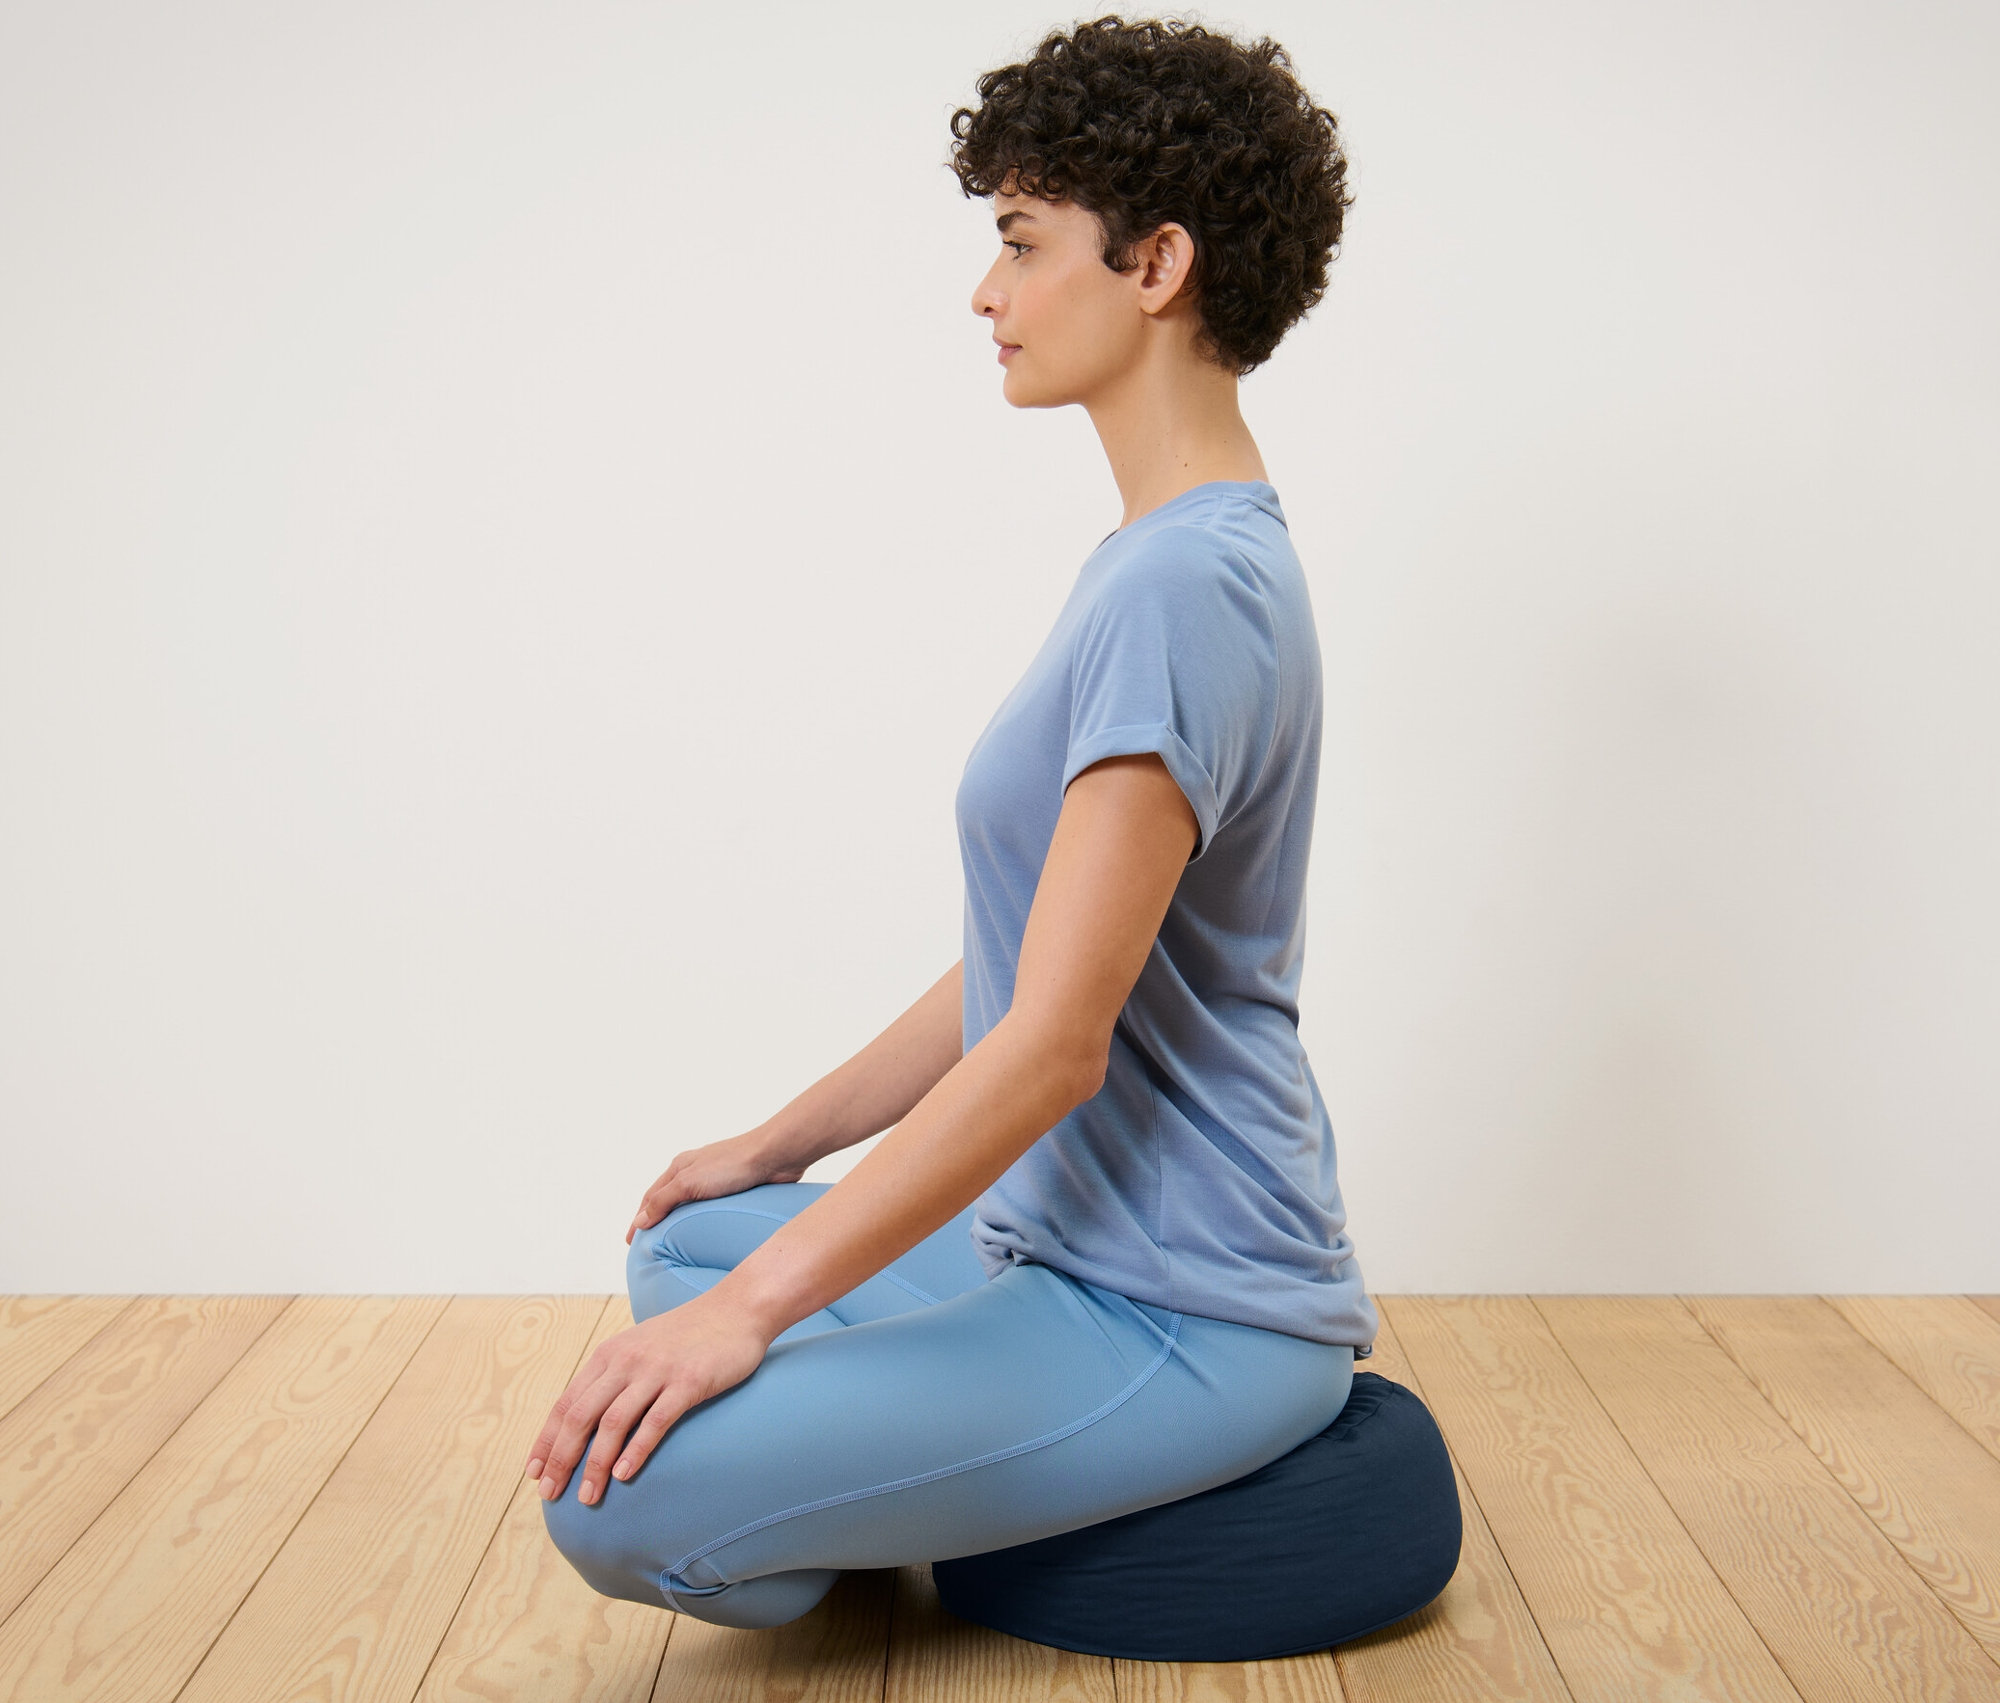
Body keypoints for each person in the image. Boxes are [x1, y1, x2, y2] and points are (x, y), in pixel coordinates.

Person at [533, 14, 1378, 1631]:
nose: (983, 292)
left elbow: (1055, 1045)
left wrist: (759, 1324)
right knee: (697, 1241)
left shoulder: (1187, 587)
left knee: (621, 1500)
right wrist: (779, 1150)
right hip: (1050, 1246)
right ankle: (924, 1445)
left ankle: (948, 1478)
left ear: (1159, 265)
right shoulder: (1168, 557)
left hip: (1186, 1313)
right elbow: (1024, 956)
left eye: (1018, 241)